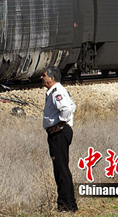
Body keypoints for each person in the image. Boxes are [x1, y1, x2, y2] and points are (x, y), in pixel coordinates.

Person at [42, 66, 78, 213]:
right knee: (62, 169)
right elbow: (72, 106)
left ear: (51, 78)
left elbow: (67, 109)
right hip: (60, 132)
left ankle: (65, 206)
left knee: (60, 169)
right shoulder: (58, 90)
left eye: (44, 75)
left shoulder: (57, 92)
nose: (41, 77)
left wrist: (59, 125)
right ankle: (70, 204)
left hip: (59, 134)